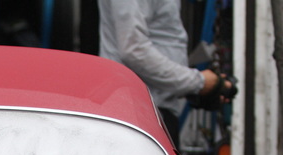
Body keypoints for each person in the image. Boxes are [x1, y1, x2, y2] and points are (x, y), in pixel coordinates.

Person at [95, 0, 225, 147]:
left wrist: (194, 88)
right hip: (141, 116)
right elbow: (134, 50)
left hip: (152, 111)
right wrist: (198, 82)